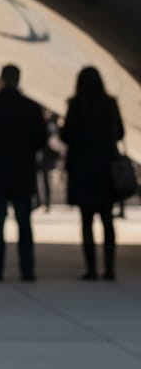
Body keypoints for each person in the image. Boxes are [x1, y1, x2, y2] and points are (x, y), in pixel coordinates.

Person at [0, 65, 47, 281]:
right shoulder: (30, 107)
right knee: (24, 223)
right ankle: (27, 269)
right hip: (23, 172)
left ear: (1, 80)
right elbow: (40, 139)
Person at [60, 67, 125, 280]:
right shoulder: (109, 104)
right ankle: (109, 267)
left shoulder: (76, 105)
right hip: (105, 168)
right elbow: (120, 133)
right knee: (107, 220)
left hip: (84, 169)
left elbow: (67, 135)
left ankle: (91, 268)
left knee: (86, 220)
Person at [36, 109, 62, 212]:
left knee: (45, 181)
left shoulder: (50, 126)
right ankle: (39, 203)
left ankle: (45, 203)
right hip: (42, 156)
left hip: (46, 157)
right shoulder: (45, 125)